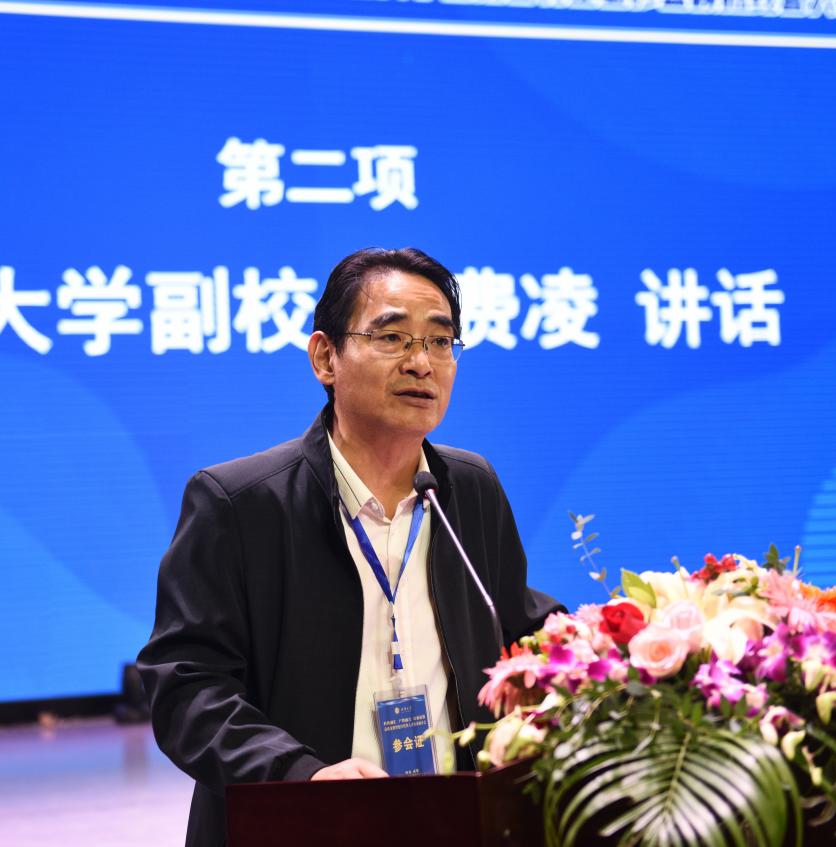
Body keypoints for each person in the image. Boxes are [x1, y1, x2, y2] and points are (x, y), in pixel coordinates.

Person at [137, 247, 562, 847]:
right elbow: (186, 685)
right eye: (392, 337)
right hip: (304, 825)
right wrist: (300, 775)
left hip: (455, 819)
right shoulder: (240, 504)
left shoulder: (468, 488)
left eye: (441, 342)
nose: (422, 363)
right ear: (325, 357)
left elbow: (516, 620)